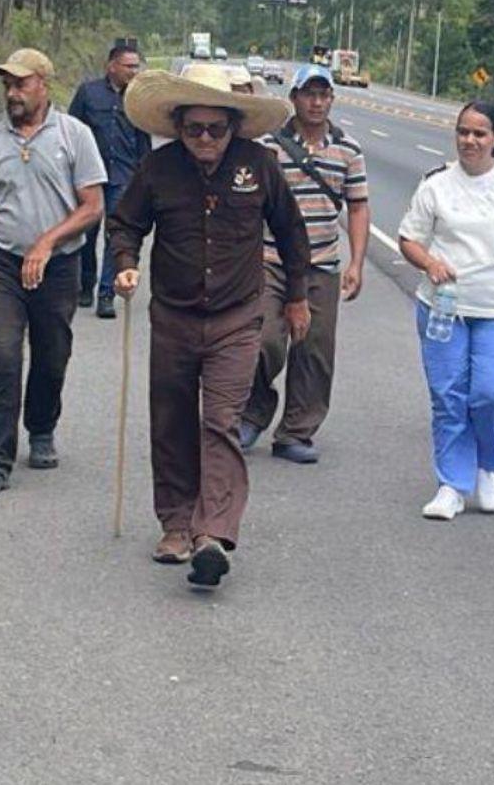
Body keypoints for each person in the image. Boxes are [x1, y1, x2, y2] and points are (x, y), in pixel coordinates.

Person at [107, 64, 311, 590]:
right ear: (178, 127)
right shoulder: (158, 168)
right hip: (173, 317)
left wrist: (297, 297)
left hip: (236, 318)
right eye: (193, 128)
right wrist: (125, 263)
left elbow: (291, 232)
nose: (204, 139)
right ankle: (176, 525)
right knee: (172, 420)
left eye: (215, 129)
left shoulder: (259, 166)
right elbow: (125, 223)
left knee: (220, 421)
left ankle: (213, 534)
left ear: (232, 127)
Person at [0, 48, 106, 498]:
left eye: (21, 84)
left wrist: (47, 242)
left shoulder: (74, 136)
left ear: (44, 84)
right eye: (7, 85)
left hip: (58, 267)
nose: (12, 93)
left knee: (51, 353)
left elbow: (93, 206)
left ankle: (41, 429)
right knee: (3, 357)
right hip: (5, 265)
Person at [398, 101, 494, 520]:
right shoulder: (436, 185)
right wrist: (430, 263)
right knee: (449, 396)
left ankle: (486, 467)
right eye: (463, 132)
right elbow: (409, 238)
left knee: (491, 394)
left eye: (480, 133)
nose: (470, 140)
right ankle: (451, 484)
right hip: (444, 307)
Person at [239, 64, 370, 464]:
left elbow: (357, 207)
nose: (316, 102)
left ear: (332, 99)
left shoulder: (348, 149)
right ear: (294, 98)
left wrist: (357, 263)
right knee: (263, 340)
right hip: (270, 260)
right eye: (309, 94)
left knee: (314, 350)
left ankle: (296, 431)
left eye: (323, 95)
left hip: (321, 262)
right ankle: (252, 412)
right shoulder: (270, 146)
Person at [68, 38, 150, 318]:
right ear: (111, 66)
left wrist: (145, 177)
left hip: (123, 177)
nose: (133, 71)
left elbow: (144, 140)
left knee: (116, 236)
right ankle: (86, 283)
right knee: (86, 234)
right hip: (89, 177)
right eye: (128, 66)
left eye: (136, 66)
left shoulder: (138, 98)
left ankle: (106, 294)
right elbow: (72, 132)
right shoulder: (88, 93)